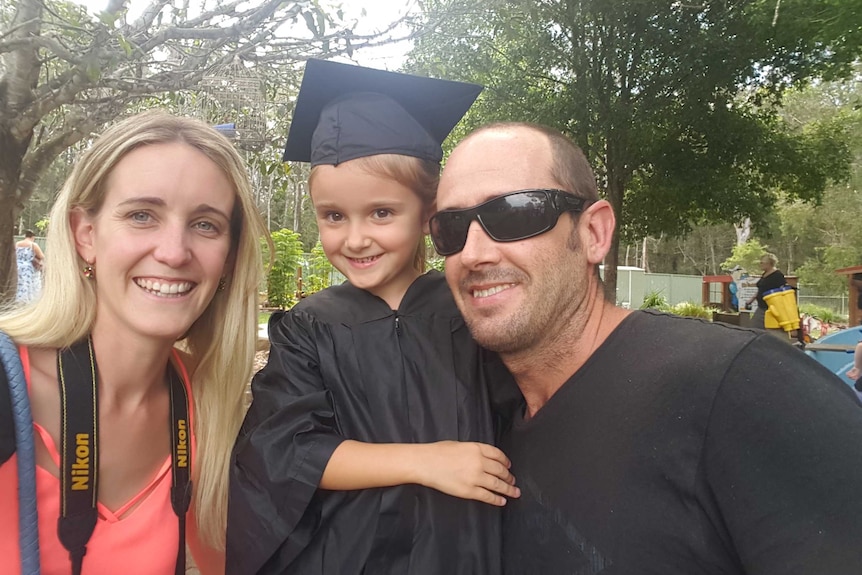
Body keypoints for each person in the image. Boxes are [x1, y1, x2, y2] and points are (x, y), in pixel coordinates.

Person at [431, 121, 862, 574]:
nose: (474, 253)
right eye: (451, 228)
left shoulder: (742, 387)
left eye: (514, 213)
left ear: (594, 233)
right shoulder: (478, 418)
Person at [228, 59, 519, 575]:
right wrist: (425, 461)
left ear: (430, 213)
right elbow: (287, 450)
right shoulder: (310, 327)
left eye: (381, 213)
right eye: (334, 216)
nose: (355, 238)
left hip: (469, 552)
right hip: (347, 555)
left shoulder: (472, 310)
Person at [0, 110, 268, 575]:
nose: (174, 251)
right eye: (142, 215)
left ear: (228, 258)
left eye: (205, 224)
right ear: (86, 234)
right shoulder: (8, 388)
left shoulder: (201, 402)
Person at [744, 252, 785, 329]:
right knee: (755, 326)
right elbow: (761, 289)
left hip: (771, 307)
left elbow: (783, 290)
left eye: (762, 263)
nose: (760, 265)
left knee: (758, 327)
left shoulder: (777, 275)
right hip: (761, 306)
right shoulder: (765, 274)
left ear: (769, 263)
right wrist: (751, 299)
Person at [15, 230, 45, 303]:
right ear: (32, 237)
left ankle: (17, 298)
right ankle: (26, 299)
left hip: (17, 266)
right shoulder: (33, 245)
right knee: (26, 283)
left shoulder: (17, 244)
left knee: (18, 282)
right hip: (27, 267)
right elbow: (42, 256)